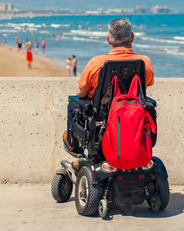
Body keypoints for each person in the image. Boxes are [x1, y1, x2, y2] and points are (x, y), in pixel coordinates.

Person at [63, 18, 154, 157]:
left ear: (108, 39)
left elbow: (80, 93)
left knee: (73, 104)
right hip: (133, 122)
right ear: (132, 37)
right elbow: (146, 84)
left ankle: (72, 144)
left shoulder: (96, 62)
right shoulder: (145, 62)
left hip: (102, 122)